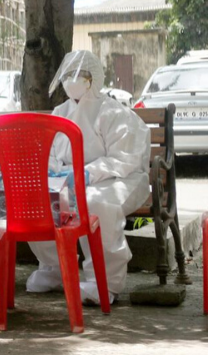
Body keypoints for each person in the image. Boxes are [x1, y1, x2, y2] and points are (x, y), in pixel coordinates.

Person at [26, 50, 151, 305]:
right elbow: (48, 150)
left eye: (78, 74)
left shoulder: (114, 112)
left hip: (120, 179)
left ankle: (104, 282)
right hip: (73, 180)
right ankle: (56, 268)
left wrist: (87, 173)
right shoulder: (60, 112)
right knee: (36, 198)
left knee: (95, 204)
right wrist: (52, 172)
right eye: (68, 74)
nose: (71, 79)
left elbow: (125, 158)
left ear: (93, 77)